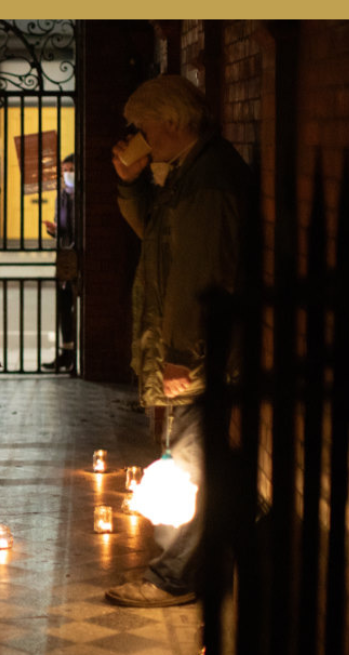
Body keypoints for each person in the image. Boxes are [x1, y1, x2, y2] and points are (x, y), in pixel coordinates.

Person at [105, 75, 253, 608]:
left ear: (170, 122)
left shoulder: (208, 179)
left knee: (186, 467)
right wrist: (129, 181)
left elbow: (200, 269)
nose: (140, 135)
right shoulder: (188, 172)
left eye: (144, 127)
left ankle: (173, 577)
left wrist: (181, 352)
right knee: (194, 458)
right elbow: (155, 230)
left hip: (202, 353)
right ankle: (207, 555)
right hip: (198, 350)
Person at [43, 153, 78, 373]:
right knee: (64, 306)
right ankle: (66, 354)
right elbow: (61, 228)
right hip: (65, 256)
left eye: (71, 169)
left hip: (80, 255)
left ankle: (75, 355)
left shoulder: (82, 197)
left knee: (78, 307)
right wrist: (53, 231)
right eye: (64, 170)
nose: (67, 174)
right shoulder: (62, 196)